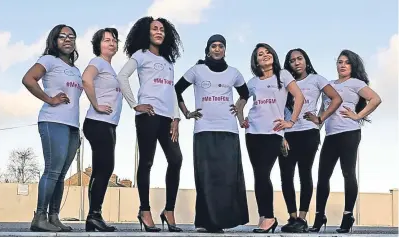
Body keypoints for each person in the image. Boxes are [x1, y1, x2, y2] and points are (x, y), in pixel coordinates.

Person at [175, 34, 250, 233]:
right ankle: (206, 221)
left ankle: (222, 222)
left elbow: (245, 93)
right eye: (214, 46)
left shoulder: (234, 73)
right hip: (203, 130)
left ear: (225, 50)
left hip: (228, 130)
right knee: (206, 177)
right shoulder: (197, 70)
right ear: (208, 49)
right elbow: (177, 89)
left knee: (226, 177)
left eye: (221, 46)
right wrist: (187, 113)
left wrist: (239, 106)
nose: (217, 49)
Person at [117, 16, 183, 232]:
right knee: (146, 162)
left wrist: (176, 118)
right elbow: (122, 76)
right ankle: (144, 210)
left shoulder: (168, 62)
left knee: (176, 160)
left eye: (162, 29)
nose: (158, 32)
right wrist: (135, 105)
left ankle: (169, 210)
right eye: (154, 29)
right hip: (148, 115)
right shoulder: (140, 55)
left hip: (166, 118)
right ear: (147, 33)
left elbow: (172, 91)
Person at [309, 50, 382, 233]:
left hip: (349, 133)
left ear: (352, 66)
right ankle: (319, 216)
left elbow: (375, 99)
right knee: (323, 175)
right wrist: (316, 129)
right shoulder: (330, 85)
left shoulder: (356, 83)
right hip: (330, 135)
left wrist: (357, 116)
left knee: (348, 173)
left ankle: (348, 215)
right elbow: (322, 111)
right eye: (340, 62)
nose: (342, 65)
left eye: (347, 62)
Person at [236, 43, 304, 233]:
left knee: (263, 173)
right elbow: (240, 103)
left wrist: (291, 121)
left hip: (273, 132)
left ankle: (269, 217)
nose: (264, 55)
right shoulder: (252, 82)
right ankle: (265, 216)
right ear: (255, 61)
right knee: (259, 175)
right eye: (260, 54)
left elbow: (299, 97)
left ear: (273, 55)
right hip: (253, 132)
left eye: (267, 52)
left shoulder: (283, 76)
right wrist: (242, 120)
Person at [22, 24, 82, 232]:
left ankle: (54, 217)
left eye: (71, 36)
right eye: (62, 36)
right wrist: (49, 99)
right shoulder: (48, 60)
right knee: (52, 170)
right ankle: (39, 217)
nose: (67, 39)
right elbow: (28, 79)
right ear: (54, 41)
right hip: (53, 121)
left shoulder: (75, 70)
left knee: (61, 173)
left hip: (72, 126)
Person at [278, 48, 342, 233]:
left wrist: (320, 118)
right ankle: (292, 217)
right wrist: (281, 135)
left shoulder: (316, 79)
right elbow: (278, 109)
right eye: (292, 60)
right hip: (288, 133)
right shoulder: (284, 83)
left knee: (304, 173)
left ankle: (302, 218)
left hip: (308, 133)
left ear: (306, 61)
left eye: (300, 59)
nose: (297, 62)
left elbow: (336, 98)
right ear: (288, 65)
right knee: (285, 175)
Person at [81, 28, 122, 232]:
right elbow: (86, 79)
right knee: (104, 168)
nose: (112, 43)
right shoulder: (97, 62)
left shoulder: (109, 67)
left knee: (101, 169)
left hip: (107, 124)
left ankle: (93, 217)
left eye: (114, 40)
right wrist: (96, 105)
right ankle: (94, 215)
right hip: (98, 122)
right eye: (107, 40)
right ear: (99, 44)